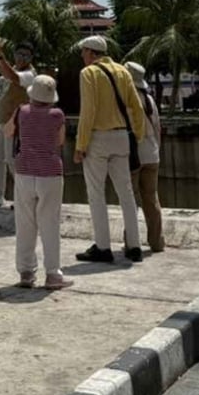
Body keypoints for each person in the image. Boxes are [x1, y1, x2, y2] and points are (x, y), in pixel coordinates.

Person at [74, 35, 145, 264]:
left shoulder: (88, 74)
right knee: (126, 193)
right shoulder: (123, 72)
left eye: (83, 51)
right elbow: (135, 105)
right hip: (121, 136)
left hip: (98, 137)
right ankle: (134, 246)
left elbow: (88, 111)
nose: (82, 56)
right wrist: (138, 134)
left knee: (96, 194)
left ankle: (103, 246)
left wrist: (80, 144)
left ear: (91, 52)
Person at [3, 73, 72, 290]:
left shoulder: (21, 111)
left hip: (24, 171)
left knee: (25, 224)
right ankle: (52, 274)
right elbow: (59, 141)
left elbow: (7, 132)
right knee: (49, 223)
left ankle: (26, 273)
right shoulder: (57, 114)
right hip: (50, 173)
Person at [0, 40, 35, 209]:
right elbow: (5, 72)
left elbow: (12, 77)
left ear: (31, 57)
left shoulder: (29, 74)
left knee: (12, 162)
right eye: (19, 54)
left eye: (26, 55)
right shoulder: (14, 68)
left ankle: (23, 197)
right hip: (4, 122)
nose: (21, 58)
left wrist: (0, 56)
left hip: (17, 124)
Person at [126, 61, 165, 255]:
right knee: (152, 199)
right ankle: (157, 242)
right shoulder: (150, 100)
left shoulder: (129, 101)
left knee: (130, 200)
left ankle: (131, 242)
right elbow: (158, 128)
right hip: (152, 154)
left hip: (134, 156)